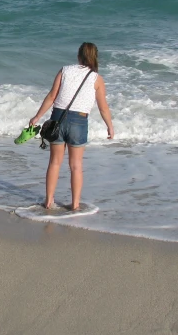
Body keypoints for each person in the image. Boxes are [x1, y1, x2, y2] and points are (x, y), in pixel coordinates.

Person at [29, 43, 114, 210]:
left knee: (54, 163)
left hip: (58, 119)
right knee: (76, 165)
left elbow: (52, 96)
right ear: (95, 57)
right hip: (79, 122)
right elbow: (103, 107)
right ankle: (75, 204)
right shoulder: (96, 79)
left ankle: (48, 201)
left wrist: (37, 116)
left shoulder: (65, 70)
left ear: (79, 55)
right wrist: (109, 126)